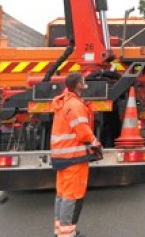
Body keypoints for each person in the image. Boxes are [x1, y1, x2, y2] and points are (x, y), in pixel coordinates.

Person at [51, 72, 102, 237]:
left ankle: (60, 229)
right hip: (74, 157)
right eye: (83, 81)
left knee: (62, 194)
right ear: (78, 84)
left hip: (62, 156)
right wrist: (96, 145)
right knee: (72, 196)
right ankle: (67, 233)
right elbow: (83, 131)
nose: (85, 83)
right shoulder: (75, 105)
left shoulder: (64, 102)